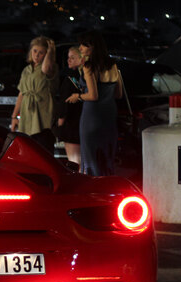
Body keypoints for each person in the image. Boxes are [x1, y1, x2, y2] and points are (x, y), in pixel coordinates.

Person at [67, 30, 123, 176]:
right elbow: (119, 94)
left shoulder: (89, 66)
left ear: (93, 47)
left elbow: (93, 95)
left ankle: (93, 190)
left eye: (83, 45)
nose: (80, 48)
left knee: (90, 156)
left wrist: (77, 96)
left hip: (92, 115)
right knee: (107, 156)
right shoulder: (113, 65)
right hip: (109, 114)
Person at [10, 36, 57, 137]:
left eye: (41, 53)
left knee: (42, 142)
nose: (37, 55)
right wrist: (14, 116)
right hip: (27, 112)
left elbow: (45, 69)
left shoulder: (50, 67)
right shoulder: (27, 70)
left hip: (42, 112)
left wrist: (50, 51)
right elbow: (21, 93)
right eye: (35, 51)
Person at [54, 46, 84, 166]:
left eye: (73, 57)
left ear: (81, 59)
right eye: (68, 58)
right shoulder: (86, 78)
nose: (69, 60)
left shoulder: (70, 79)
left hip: (71, 123)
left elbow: (64, 103)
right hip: (83, 122)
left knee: (74, 161)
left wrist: (60, 121)